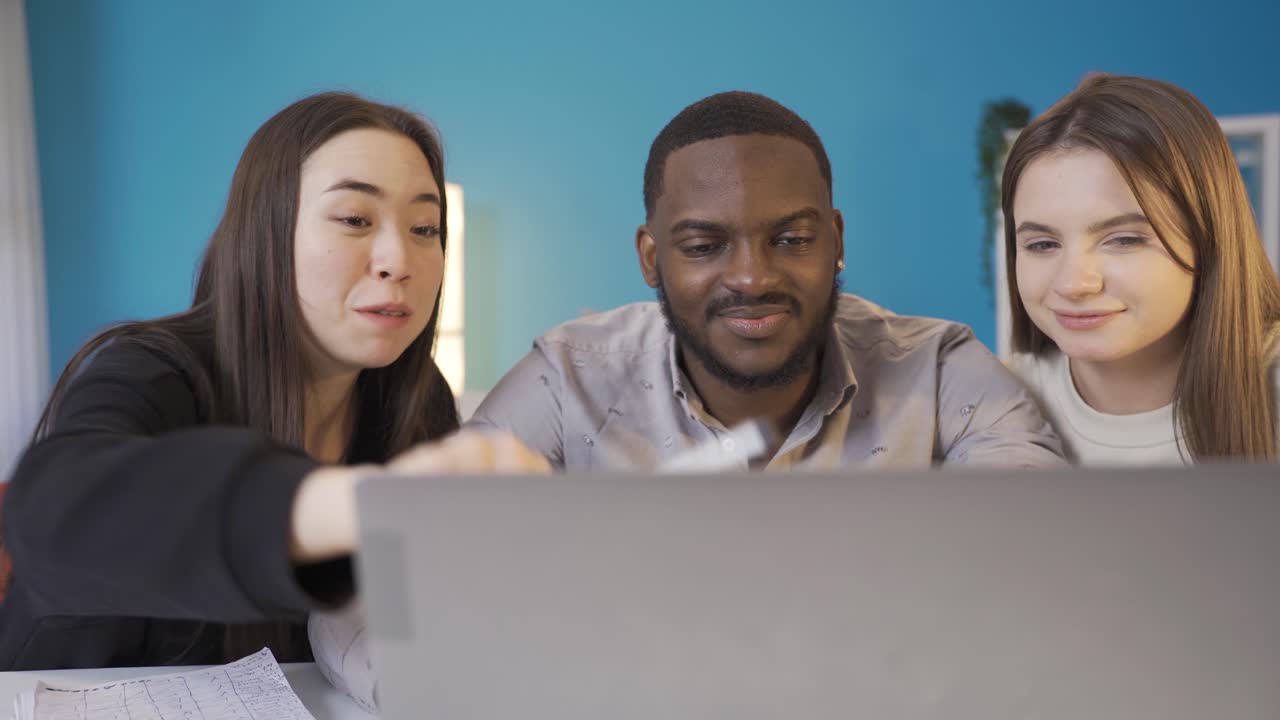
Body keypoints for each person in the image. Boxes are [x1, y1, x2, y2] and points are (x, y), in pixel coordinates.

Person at [0, 91, 547, 670]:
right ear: (266, 230)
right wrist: (352, 507)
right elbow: (53, 516)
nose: (399, 260)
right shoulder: (152, 369)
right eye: (355, 220)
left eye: (425, 228)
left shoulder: (414, 398)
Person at [467, 90, 1064, 470]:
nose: (752, 277)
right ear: (651, 257)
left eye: (792, 240)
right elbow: (441, 562)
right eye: (705, 246)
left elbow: (1034, 547)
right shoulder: (566, 382)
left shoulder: (938, 371)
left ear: (837, 241)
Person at [1002, 74, 1280, 464]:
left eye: (1124, 240)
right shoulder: (996, 399)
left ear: (1209, 238)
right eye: (1042, 244)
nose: (1074, 284)